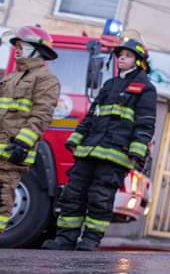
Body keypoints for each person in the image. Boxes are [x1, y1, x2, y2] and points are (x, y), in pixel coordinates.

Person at [42, 37, 156, 251]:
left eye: (128, 55)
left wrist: (136, 153)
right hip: (89, 150)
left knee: (100, 197)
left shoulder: (145, 88)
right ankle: (66, 239)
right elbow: (91, 115)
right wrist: (76, 139)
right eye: (120, 55)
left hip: (115, 154)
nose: (122, 58)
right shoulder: (110, 85)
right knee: (72, 193)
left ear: (139, 61)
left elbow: (145, 124)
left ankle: (90, 240)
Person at [0, 26, 60, 234]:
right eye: (16, 45)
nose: (16, 49)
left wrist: (23, 143)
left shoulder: (46, 79)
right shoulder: (9, 77)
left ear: (37, 50)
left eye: (21, 45)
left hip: (13, 150)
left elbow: (42, 114)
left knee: (2, 194)